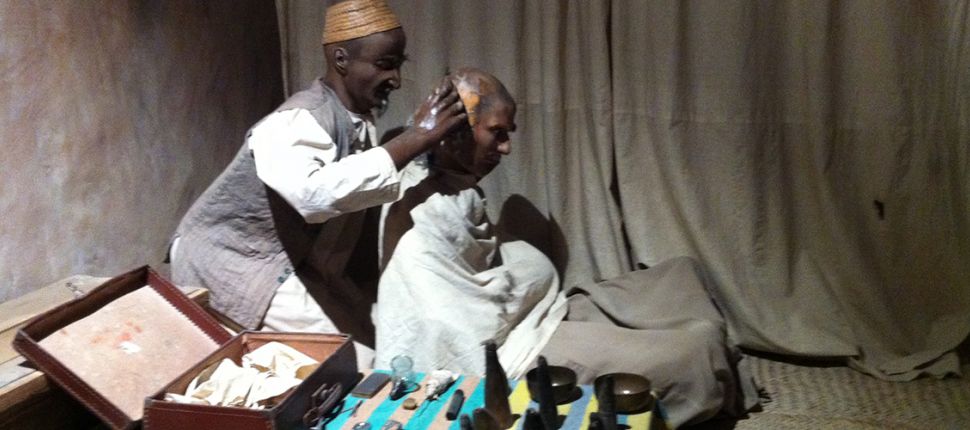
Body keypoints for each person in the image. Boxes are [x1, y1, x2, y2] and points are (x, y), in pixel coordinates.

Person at [375, 68, 757, 427]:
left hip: (534, 313)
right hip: (516, 348)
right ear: (454, 132)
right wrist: (526, 282)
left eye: (509, 133)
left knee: (681, 274)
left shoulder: (457, 185)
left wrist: (526, 281)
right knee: (694, 351)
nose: (506, 147)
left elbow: (488, 276)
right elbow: (452, 328)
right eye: (497, 132)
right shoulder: (418, 208)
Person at [169, 0, 467, 368]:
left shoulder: (355, 117)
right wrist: (416, 138)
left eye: (398, 65)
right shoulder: (298, 119)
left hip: (290, 260)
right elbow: (312, 196)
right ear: (341, 60)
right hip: (235, 259)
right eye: (384, 64)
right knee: (352, 363)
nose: (396, 79)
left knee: (378, 342)